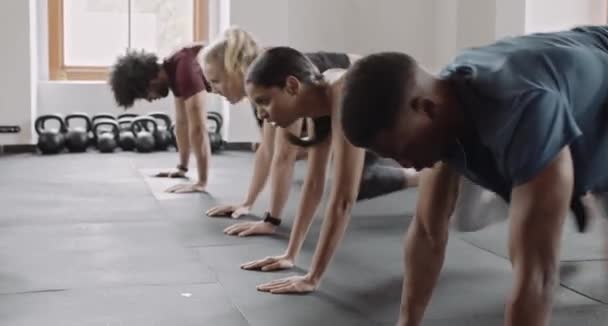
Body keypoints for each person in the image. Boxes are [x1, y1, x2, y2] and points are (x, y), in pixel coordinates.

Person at [338, 25, 608, 325]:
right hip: (571, 84)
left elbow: (537, 277)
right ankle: (567, 188)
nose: (408, 165)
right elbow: (427, 232)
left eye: (404, 150)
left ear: (426, 109)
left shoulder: (522, 110)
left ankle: (572, 186)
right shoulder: (443, 103)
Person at [201, 27, 419, 237]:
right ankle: (422, 176)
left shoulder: (274, 79)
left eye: (215, 81)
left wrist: (270, 221)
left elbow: (283, 156)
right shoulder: (261, 85)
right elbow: (268, 151)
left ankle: (423, 177)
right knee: (355, 178)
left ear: (233, 69)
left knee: (359, 181)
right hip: (351, 99)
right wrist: (246, 204)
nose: (213, 89)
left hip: (373, 92)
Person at [236, 46, 418, 294]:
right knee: (462, 216)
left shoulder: (342, 92)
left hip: (455, 140)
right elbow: (314, 184)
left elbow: (343, 198)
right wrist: (291, 254)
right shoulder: (319, 102)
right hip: (426, 149)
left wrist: (312, 277)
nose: (261, 115)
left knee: (464, 218)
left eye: (264, 102)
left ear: (292, 86)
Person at [109, 44, 212, 193]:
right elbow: (182, 123)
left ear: (150, 81)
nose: (150, 100)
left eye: (145, 95)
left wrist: (201, 182)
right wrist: (182, 169)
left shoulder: (184, 68)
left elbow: (198, 128)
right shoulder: (173, 70)